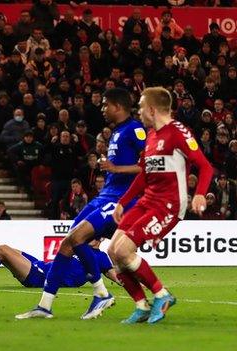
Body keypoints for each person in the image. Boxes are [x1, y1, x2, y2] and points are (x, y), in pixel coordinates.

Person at [18, 88, 146, 320]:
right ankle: (45, 306)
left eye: (106, 104)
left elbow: (149, 166)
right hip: (104, 195)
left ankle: (110, 293)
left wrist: (117, 169)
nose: (103, 108)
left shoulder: (135, 129)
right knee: (68, 242)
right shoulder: (116, 132)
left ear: (118, 106)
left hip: (120, 199)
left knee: (77, 239)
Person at [109, 87, 213, 324]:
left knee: (125, 251)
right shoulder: (151, 135)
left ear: (152, 109)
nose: (139, 111)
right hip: (147, 201)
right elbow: (144, 175)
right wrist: (123, 202)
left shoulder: (178, 132)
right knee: (113, 251)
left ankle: (162, 295)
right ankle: (141, 305)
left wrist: (200, 194)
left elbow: (205, 167)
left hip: (168, 205)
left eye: (141, 107)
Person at [0, 241, 116, 291]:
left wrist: (134, 282)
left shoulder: (101, 257)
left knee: (2, 250)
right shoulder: (79, 247)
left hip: (41, 277)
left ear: (100, 238)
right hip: (40, 265)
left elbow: (113, 274)